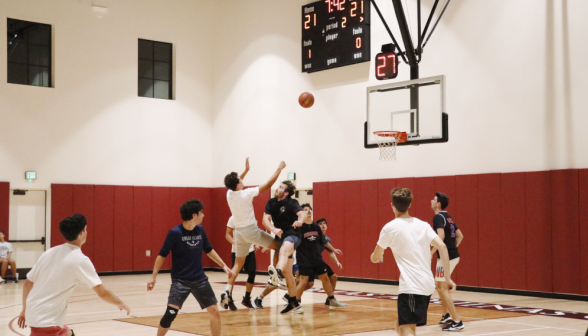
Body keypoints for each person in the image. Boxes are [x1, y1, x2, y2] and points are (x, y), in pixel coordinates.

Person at [18, 214, 130, 336]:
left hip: (37, 315)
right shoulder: (80, 260)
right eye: (85, 229)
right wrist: (120, 303)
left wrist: (25, 310)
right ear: (82, 234)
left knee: (67, 333)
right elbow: (102, 292)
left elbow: (28, 283)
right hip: (47, 322)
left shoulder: (49, 252)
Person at [370, 188, 460, 336]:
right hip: (426, 284)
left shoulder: (389, 228)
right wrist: (447, 277)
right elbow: (442, 246)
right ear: (410, 204)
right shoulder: (423, 225)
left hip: (412, 287)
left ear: (392, 205)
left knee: (406, 329)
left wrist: (377, 255)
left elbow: (374, 258)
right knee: (400, 324)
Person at [147, 199, 234, 336]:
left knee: (214, 311)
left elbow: (209, 250)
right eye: (201, 213)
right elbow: (161, 255)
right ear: (194, 215)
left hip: (200, 279)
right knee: (170, 313)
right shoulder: (175, 233)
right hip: (180, 281)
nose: (203, 215)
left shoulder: (200, 230)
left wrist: (224, 265)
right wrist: (153, 277)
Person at [220, 158, 285, 310]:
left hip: (240, 233)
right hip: (251, 231)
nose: (242, 180)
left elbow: (235, 182)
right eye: (240, 180)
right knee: (278, 246)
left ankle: (227, 291)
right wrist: (279, 168)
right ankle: (275, 276)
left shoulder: (229, 194)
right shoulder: (246, 193)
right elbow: (268, 184)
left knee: (237, 264)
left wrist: (246, 171)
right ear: (237, 184)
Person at [293, 204, 347, 313]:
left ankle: (331, 300)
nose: (308, 211)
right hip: (304, 258)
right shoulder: (299, 227)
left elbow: (324, 241)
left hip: (317, 258)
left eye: (309, 209)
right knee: (303, 282)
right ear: (301, 213)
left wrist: (334, 249)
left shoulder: (315, 226)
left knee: (325, 278)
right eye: (305, 210)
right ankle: (295, 304)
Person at [263, 180, 307, 314]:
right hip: (280, 236)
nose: (278, 188)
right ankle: (294, 302)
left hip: (293, 235)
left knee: (283, 251)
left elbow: (302, 213)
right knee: (289, 273)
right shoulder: (271, 202)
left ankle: (277, 274)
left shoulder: (291, 202)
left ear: (286, 193)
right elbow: (265, 219)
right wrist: (273, 229)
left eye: (281, 187)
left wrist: (300, 221)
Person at [430, 192, 464, 330]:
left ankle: (457, 321)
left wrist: (431, 252)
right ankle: (446, 315)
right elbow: (460, 235)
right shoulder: (448, 217)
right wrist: (453, 248)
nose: (431, 201)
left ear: (438, 204)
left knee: (442, 288)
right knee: (440, 287)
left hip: (446, 258)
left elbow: (441, 236)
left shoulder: (438, 217)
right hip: (451, 256)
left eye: (434, 200)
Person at [226, 216, 268, 308]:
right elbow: (227, 234)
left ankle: (246, 299)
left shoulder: (250, 218)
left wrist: (256, 243)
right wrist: (235, 242)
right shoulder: (233, 219)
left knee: (252, 273)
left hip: (250, 250)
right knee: (234, 274)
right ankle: (229, 298)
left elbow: (254, 234)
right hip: (237, 251)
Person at [315, 218, 343, 304]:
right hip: (310, 261)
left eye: (324, 223)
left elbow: (331, 253)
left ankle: (329, 298)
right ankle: (291, 296)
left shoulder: (326, 239)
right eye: (320, 224)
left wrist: (337, 262)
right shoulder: (315, 237)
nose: (323, 225)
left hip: (318, 261)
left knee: (333, 277)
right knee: (306, 283)